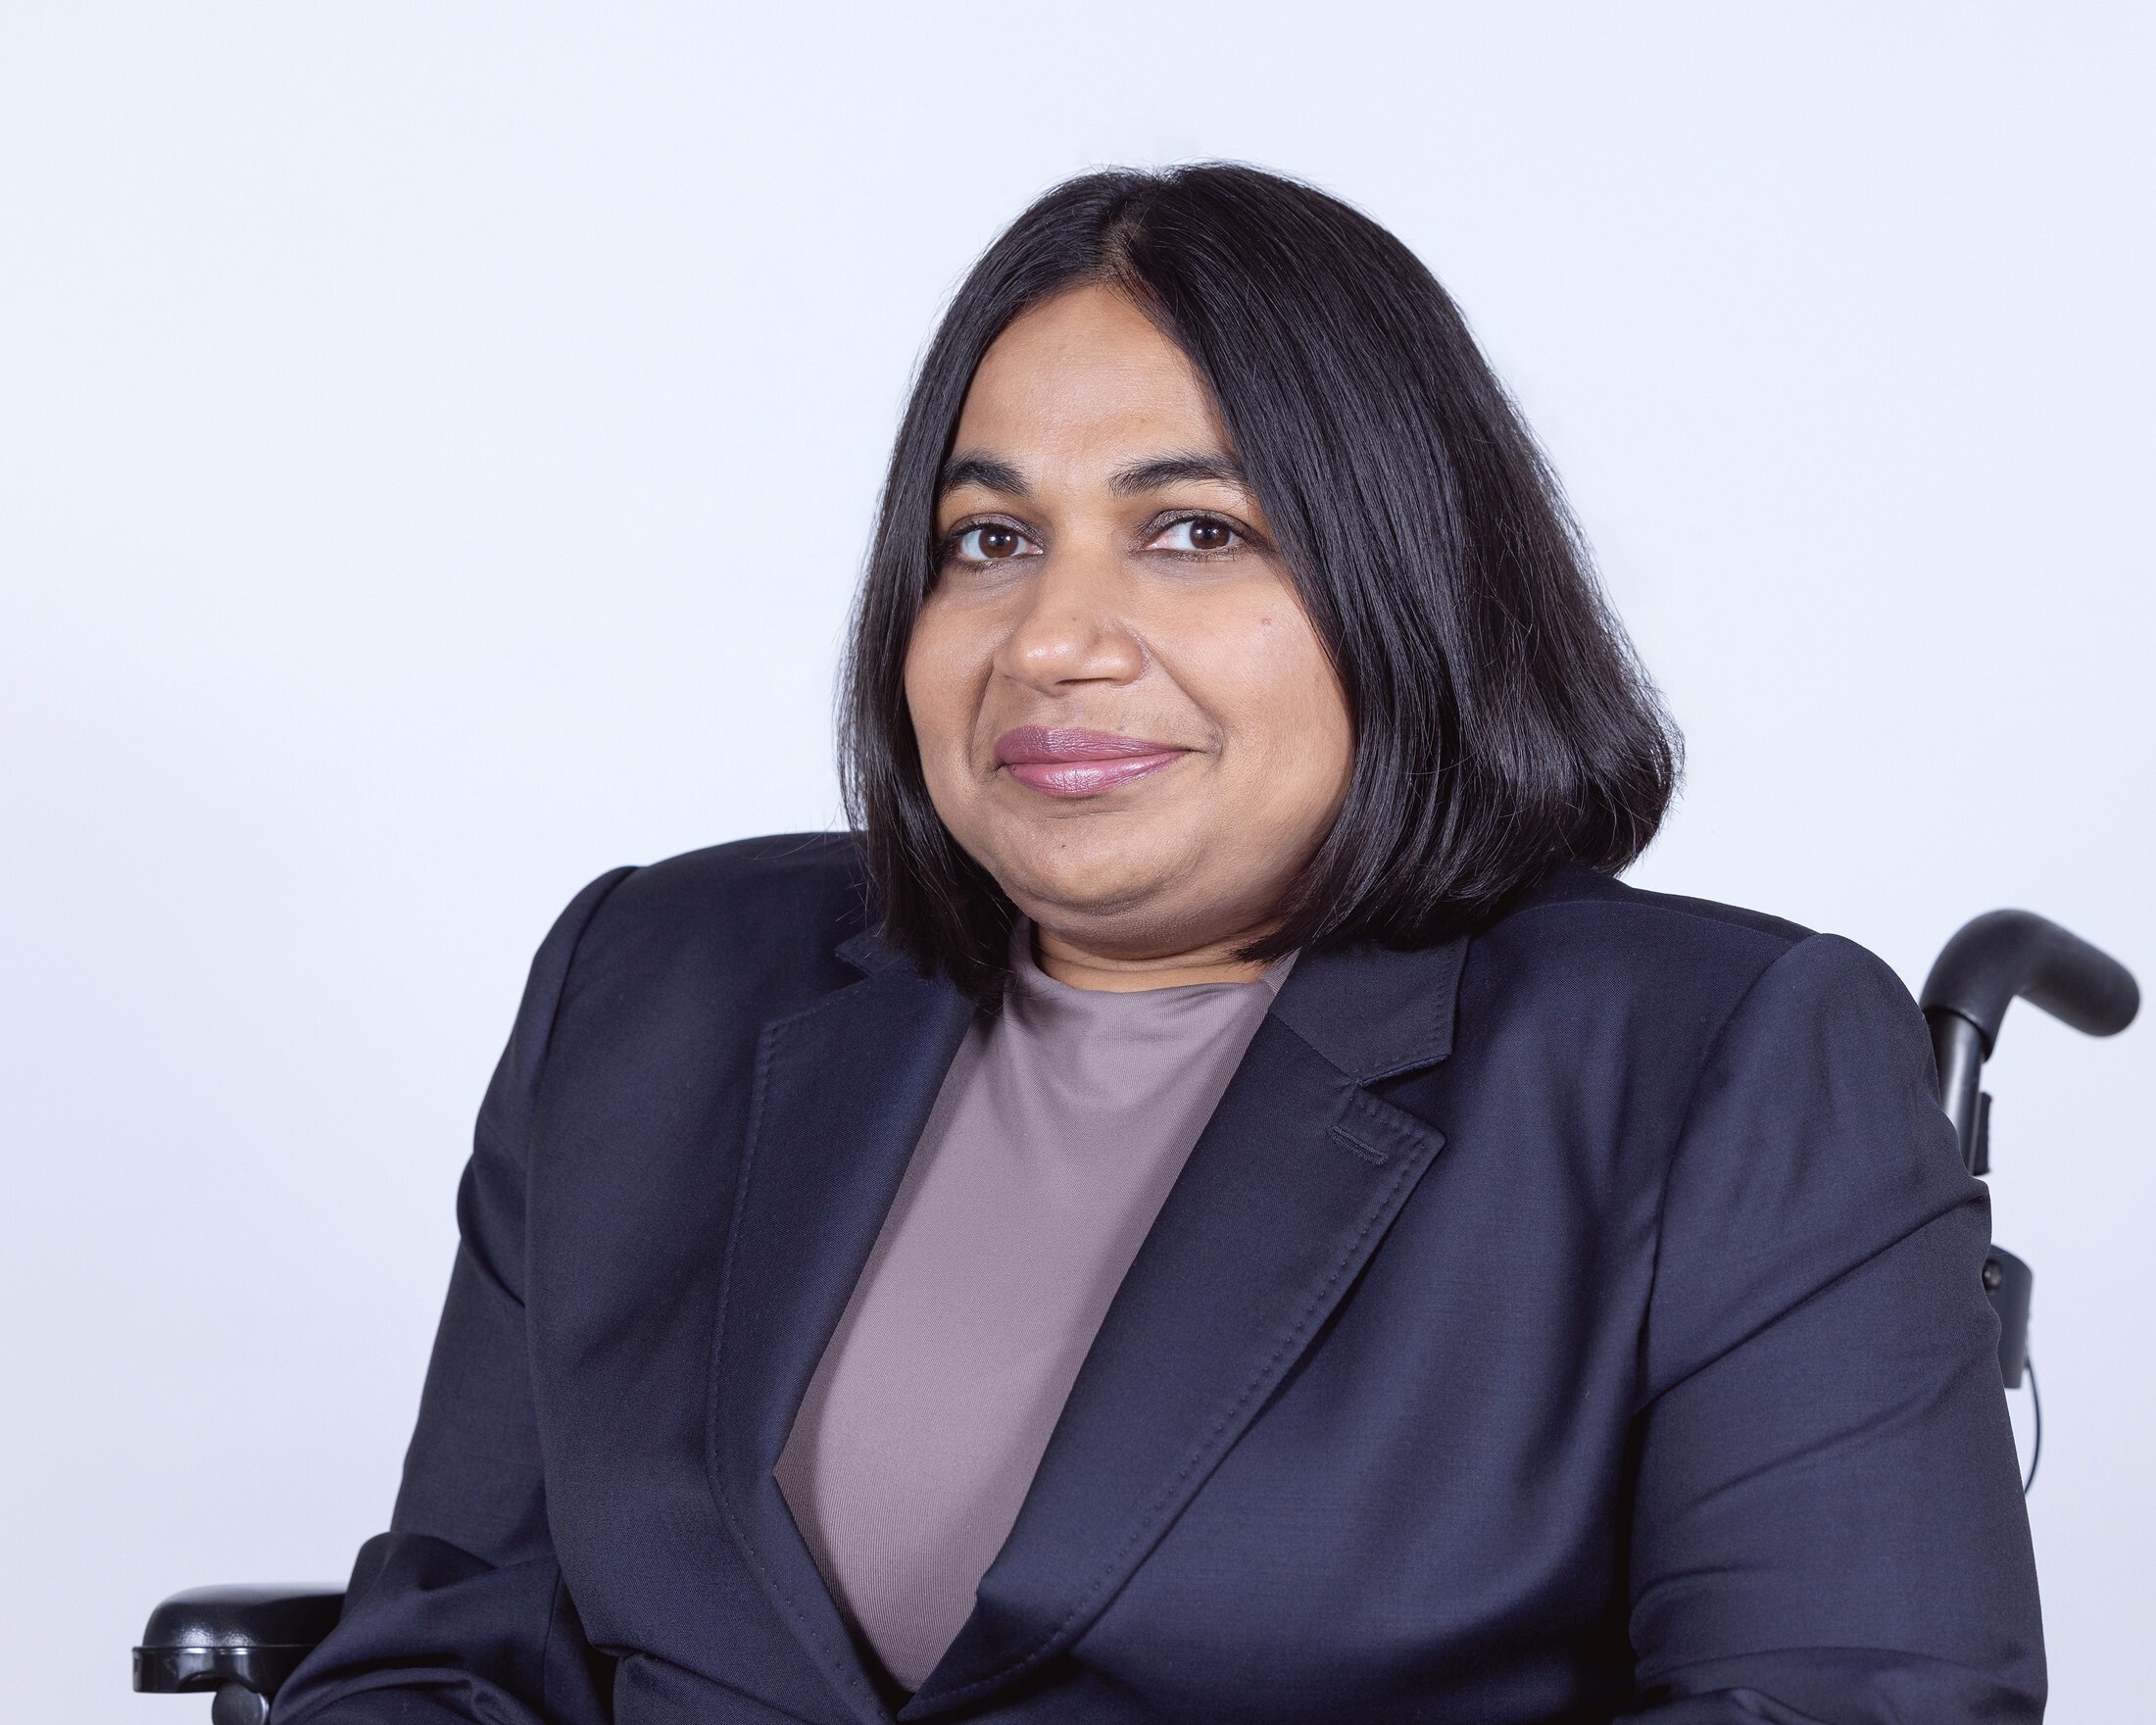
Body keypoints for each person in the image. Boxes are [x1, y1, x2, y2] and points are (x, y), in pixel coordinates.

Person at [274, 164, 2043, 1725]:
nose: (1053, 638)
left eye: (1192, 532)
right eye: (989, 541)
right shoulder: (654, 982)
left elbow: (1850, 1697)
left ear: (1404, 586)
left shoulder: (1716, 1059)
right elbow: (456, 1650)